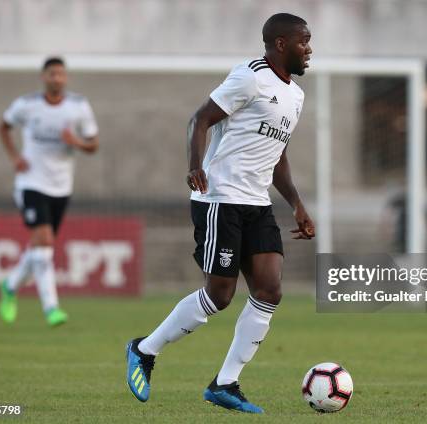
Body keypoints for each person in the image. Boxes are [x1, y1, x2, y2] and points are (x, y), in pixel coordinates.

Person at [125, 13, 314, 414]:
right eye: (304, 41)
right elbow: (201, 119)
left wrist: (296, 203)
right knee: (220, 295)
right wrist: (195, 165)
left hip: (258, 204)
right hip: (220, 200)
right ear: (280, 44)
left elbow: (277, 155)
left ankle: (225, 383)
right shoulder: (249, 76)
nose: (309, 49)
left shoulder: (295, 96)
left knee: (269, 290)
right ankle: (144, 349)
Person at [0, 57, 99, 327]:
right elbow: (4, 127)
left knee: (39, 248)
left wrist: (74, 141)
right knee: (43, 244)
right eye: (52, 74)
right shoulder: (27, 105)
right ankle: (51, 307)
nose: (57, 78)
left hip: (61, 186)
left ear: (65, 79)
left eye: (61, 74)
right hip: (31, 182)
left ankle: (9, 285)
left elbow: (93, 145)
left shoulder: (78, 106)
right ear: (44, 77)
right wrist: (14, 157)